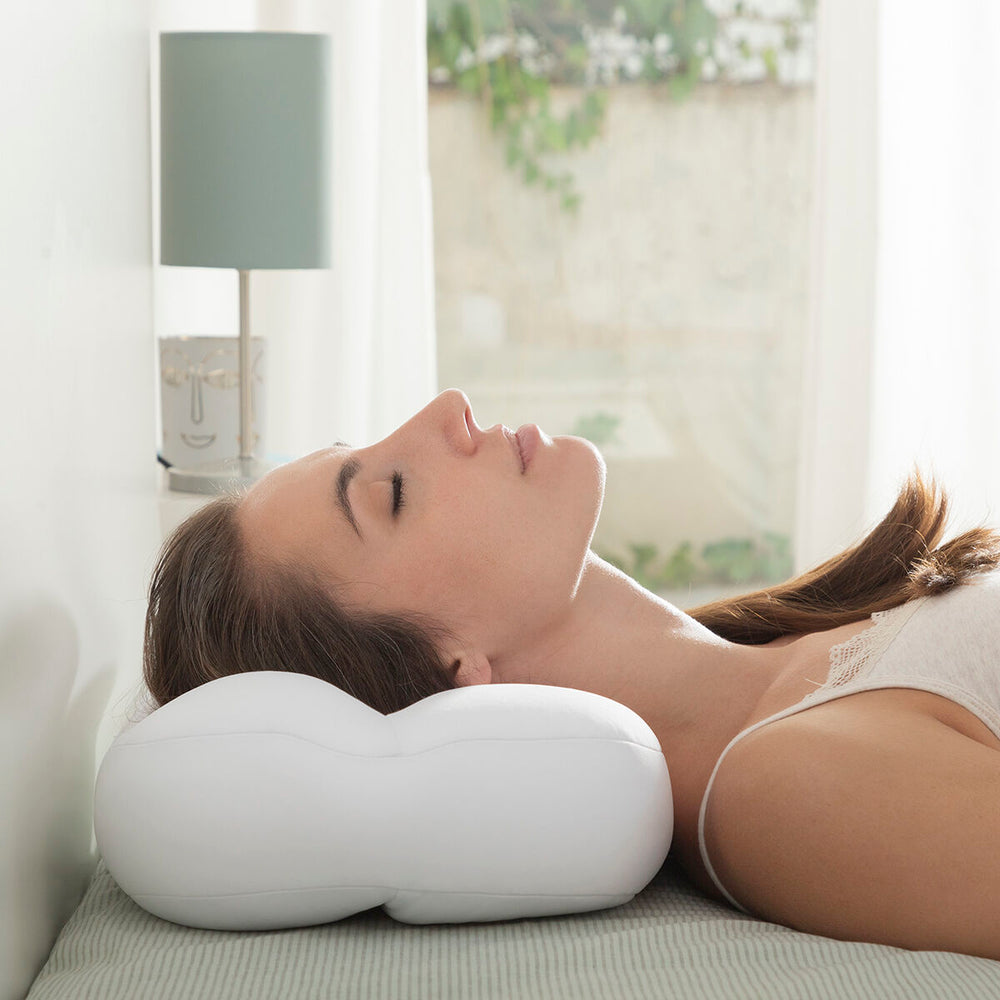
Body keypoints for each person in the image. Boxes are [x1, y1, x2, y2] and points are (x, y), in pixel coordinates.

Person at [144, 388, 1000, 960]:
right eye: (393, 492)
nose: (446, 407)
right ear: (452, 671)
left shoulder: (802, 650)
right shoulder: (784, 793)